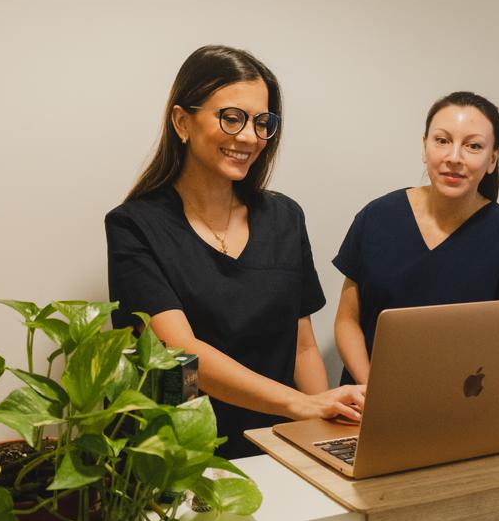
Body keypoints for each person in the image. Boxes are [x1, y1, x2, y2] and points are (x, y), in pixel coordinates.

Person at [106, 45, 364, 458]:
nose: (249, 137)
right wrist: (302, 405)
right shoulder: (134, 225)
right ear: (182, 122)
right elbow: (181, 352)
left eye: (262, 122)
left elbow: (303, 347)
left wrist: (323, 433)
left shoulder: (284, 217)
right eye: (231, 118)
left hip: (280, 445)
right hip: (186, 457)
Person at [333, 90, 499, 382]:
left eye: (473, 146)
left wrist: (480, 376)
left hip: (463, 404)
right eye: (442, 141)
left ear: (493, 159)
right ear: (424, 147)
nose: (454, 157)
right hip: (367, 401)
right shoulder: (378, 217)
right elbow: (347, 320)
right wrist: (370, 387)